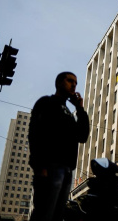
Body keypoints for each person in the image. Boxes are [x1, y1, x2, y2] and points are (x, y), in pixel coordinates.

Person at [28, 71, 90, 221]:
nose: (74, 85)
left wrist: (80, 109)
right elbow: (35, 133)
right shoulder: (46, 102)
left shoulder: (69, 112)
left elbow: (82, 136)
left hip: (67, 171)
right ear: (58, 83)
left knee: (56, 215)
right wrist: (40, 166)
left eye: (75, 82)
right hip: (50, 168)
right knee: (44, 213)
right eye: (70, 81)